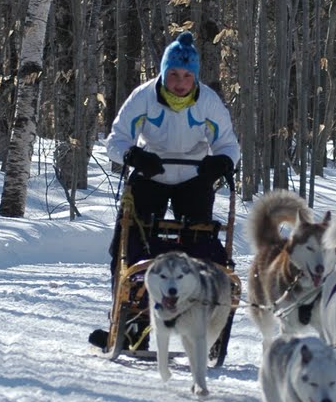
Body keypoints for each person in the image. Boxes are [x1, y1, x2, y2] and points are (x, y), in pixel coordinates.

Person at [89, 31, 240, 347]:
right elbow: (116, 139)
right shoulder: (144, 97)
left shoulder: (209, 102)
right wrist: (133, 155)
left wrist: (221, 161)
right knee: (127, 243)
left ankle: (204, 322)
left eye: (187, 76)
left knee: (201, 245)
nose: (180, 82)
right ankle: (131, 323)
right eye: (173, 74)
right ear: (163, 73)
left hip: (194, 178)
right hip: (150, 174)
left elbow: (228, 143)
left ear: (195, 77)